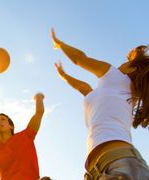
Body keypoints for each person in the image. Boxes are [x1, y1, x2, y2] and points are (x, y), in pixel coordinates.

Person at [52, 28, 149, 179]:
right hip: (99, 170)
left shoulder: (116, 76)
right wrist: (64, 75)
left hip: (122, 163)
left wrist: (61, 44)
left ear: (133, 68)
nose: (119, 65)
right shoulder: (121, 93)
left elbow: (79, 58)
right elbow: (83, 87)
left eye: (125, 63)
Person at [0, 93, 45, 180]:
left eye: (2, 119)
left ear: (11, 126)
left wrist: (38, 97)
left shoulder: (26, 136)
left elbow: (39, 112)